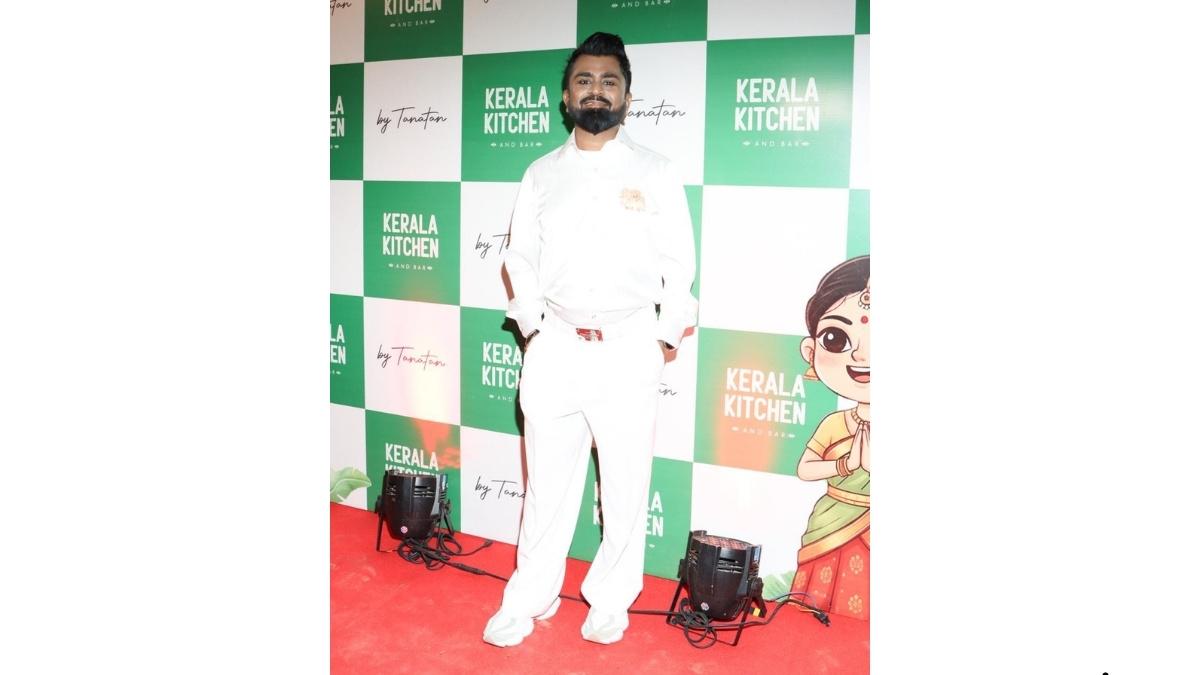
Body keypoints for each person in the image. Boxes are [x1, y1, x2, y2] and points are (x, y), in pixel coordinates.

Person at [483, 31, 698, 648]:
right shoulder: (541, 174)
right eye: (584, 80)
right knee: (545, 486)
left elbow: (679, 263)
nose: (596, 90)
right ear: (565, 96)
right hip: (554, 346)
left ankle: (610, 599)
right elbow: (520, 258)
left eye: (609, 81)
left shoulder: (656, 171)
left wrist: (662, 338)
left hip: (629, 346)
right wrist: (533, 329)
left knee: (626, 485)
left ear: (627, 96)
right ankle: (530, 597)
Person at [790, 255, 870, 621]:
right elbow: (805, 469)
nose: (863, 355)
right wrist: (843, 465)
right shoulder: (835, 423)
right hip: (831, 524)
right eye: (836, 339)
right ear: (811, 352)